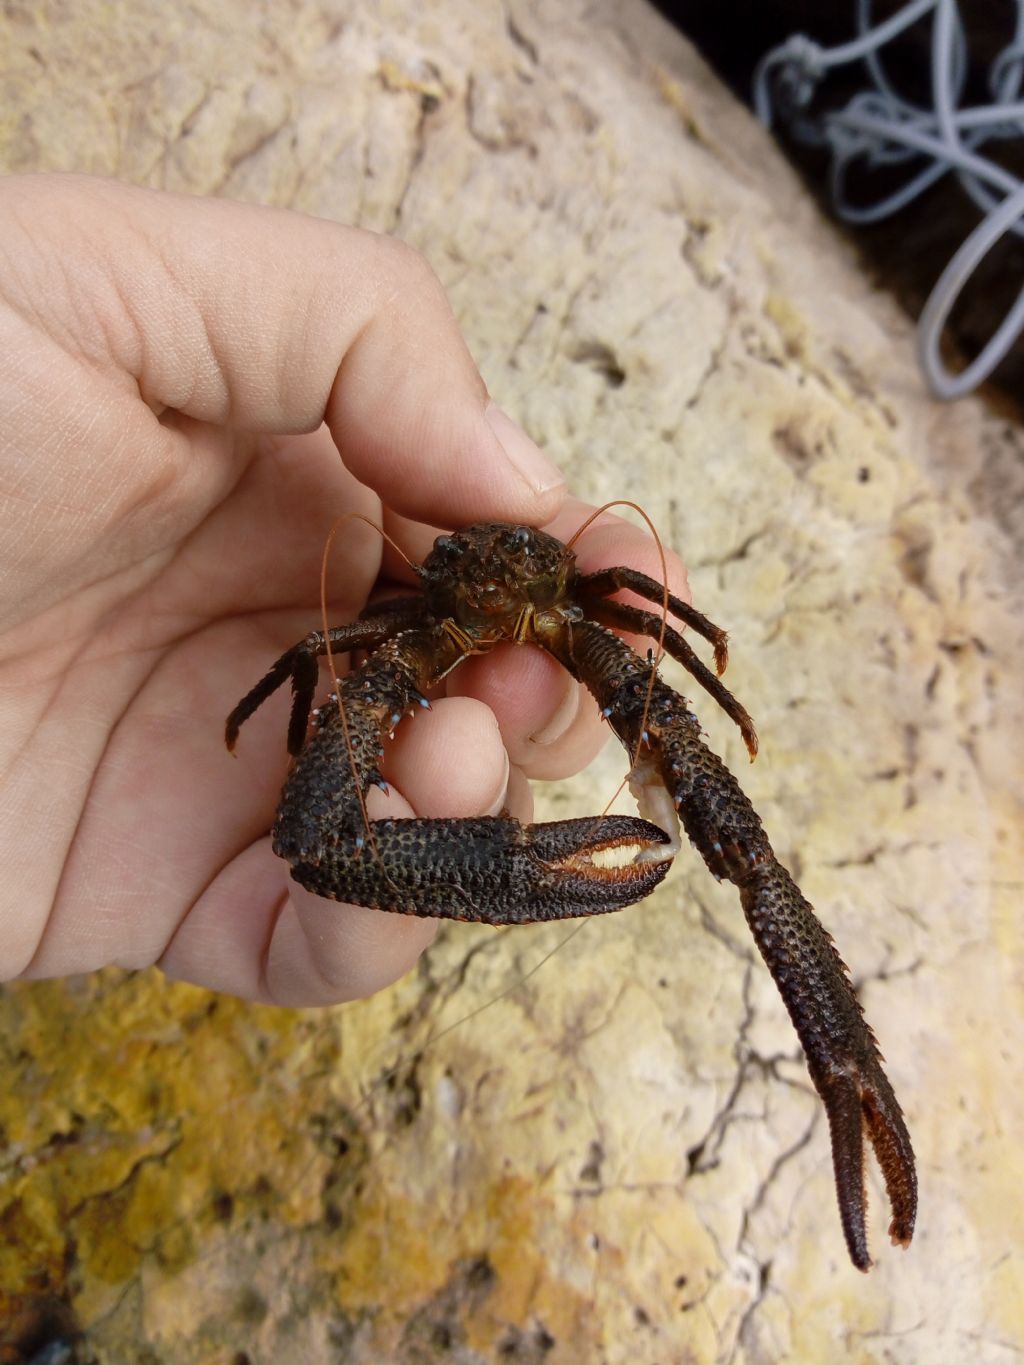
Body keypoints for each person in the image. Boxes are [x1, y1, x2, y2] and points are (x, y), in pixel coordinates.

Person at [0, 175, 688, 1006]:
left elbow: (650, 609)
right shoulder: (417, 632)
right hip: (439, 634)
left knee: (681, 752)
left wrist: (687, 643)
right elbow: (315, 830)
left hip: (550, 620)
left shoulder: (586, 600)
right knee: (336, 825)